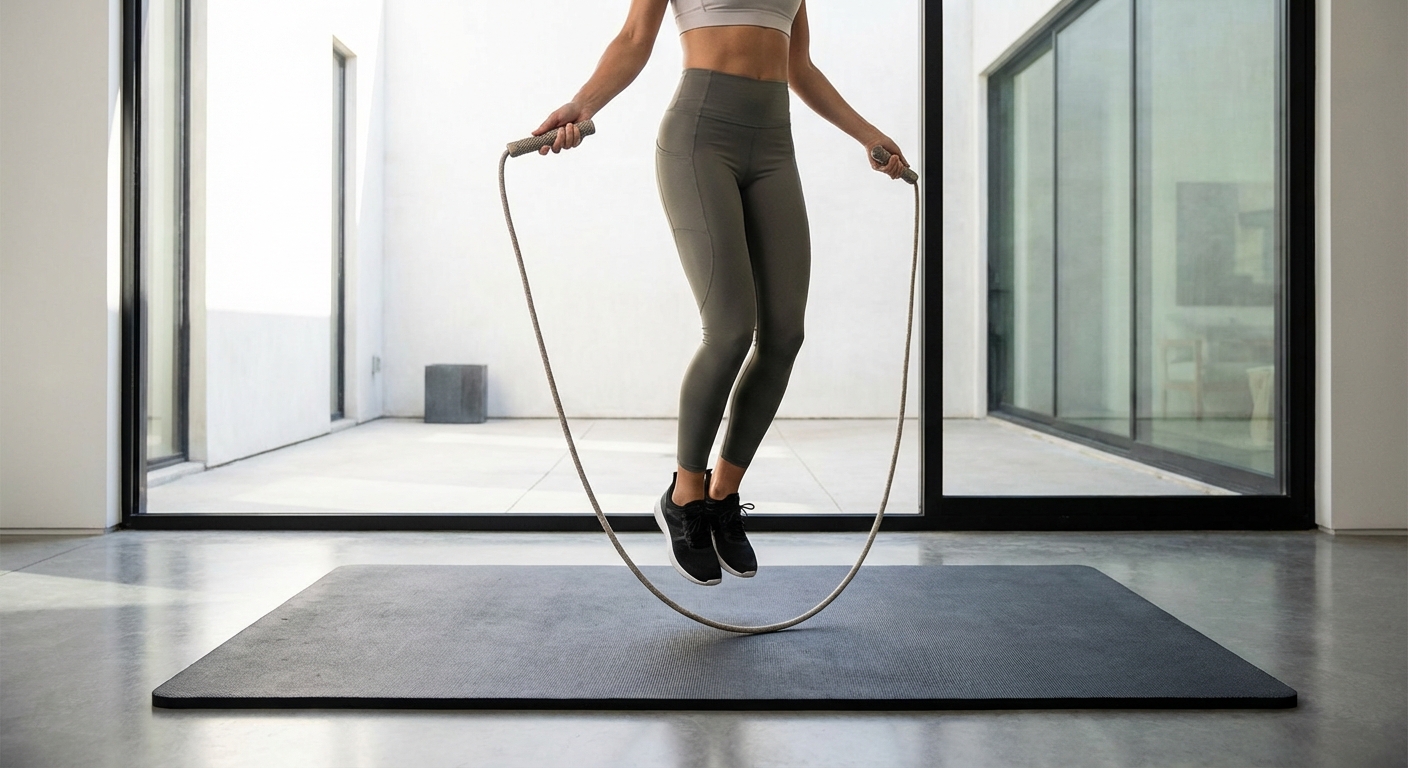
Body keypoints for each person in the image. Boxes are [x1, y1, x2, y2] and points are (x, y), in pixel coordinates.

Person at [532, 0, 910, 586]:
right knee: (731, 329)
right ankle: (684, 496)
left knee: (784, 335)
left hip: (775, 144)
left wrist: (869, 136)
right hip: (699, 137)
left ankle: (723, 495)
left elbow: (800, 67)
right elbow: (633, 38)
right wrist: (583, 105)